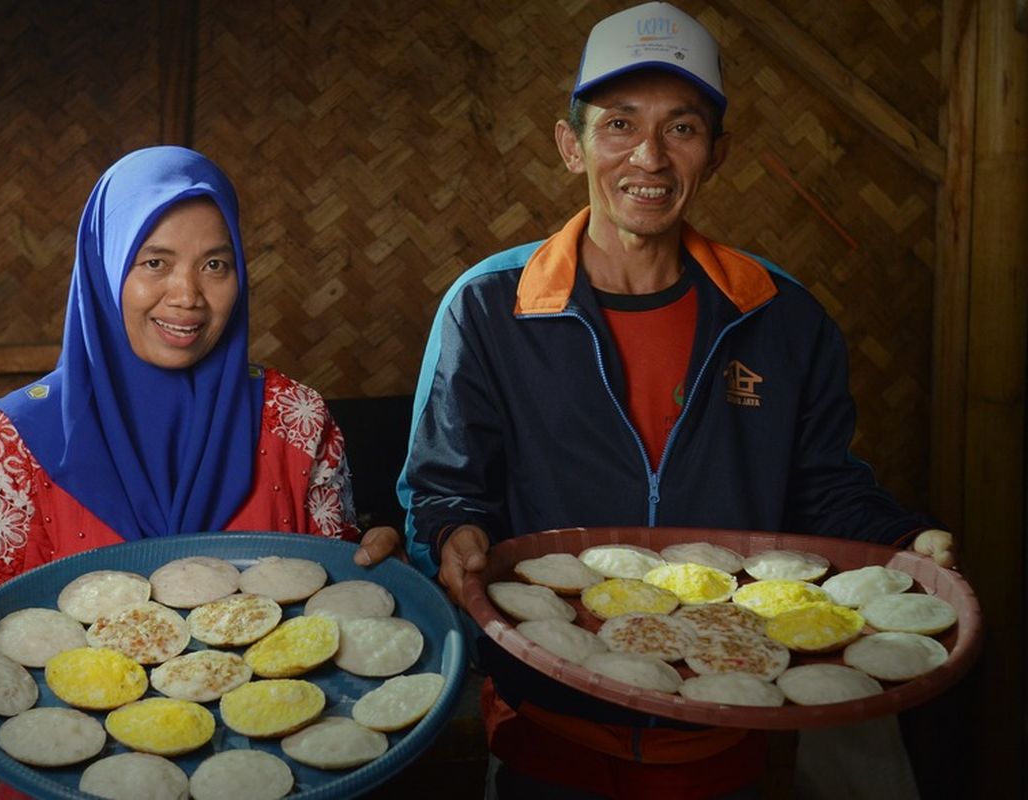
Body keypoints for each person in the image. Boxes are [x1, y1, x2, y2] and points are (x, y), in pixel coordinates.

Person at [395, 3, 955, 798]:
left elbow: (823, 488)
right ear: (571, 145)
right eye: (619, 123)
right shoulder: (491, 307)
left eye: (681, 128)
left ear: (716, 153)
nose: (648, 156)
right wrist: (453, 534)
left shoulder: (780, 316)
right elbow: (443, 489)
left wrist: (905, 539)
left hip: (733, 722)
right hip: (551, 729)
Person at [0, 145, 364, 675]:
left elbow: (340, 618)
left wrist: (379, 573)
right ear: (103, 269)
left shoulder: (297, 421)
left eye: (216, 265)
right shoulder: (17, 447)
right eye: (154, 262)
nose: (187, 296)